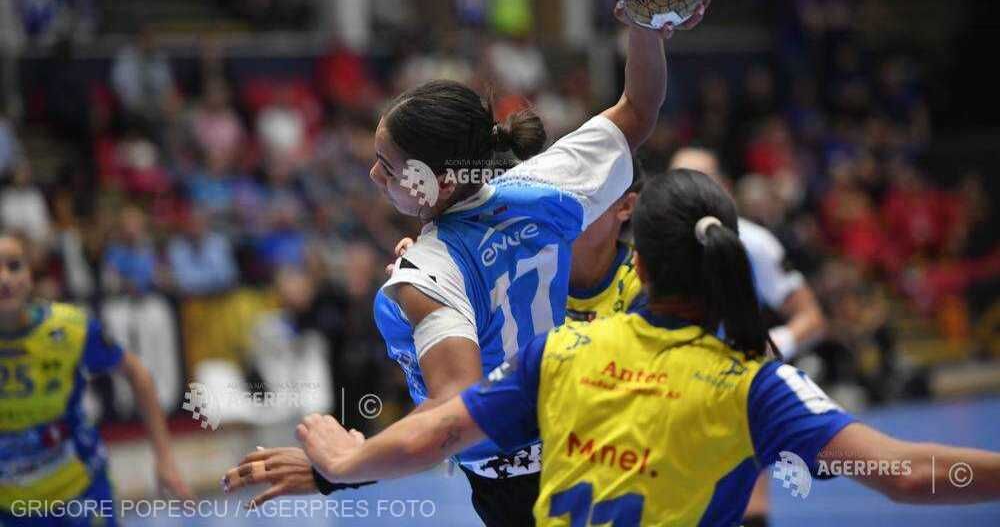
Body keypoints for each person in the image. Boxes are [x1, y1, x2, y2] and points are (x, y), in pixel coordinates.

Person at [226, 170, 1000, 525]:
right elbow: (904, 474)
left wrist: (345, 466)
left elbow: (447, 426)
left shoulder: (562, 352)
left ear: (639, 259)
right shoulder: (757, 386)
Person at [223, 0, 711, 524]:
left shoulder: (428, 271)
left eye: (389, 167)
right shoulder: (545, 185)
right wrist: (646, 28)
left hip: (521, 491)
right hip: (587, 449)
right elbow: (640, 108)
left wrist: (342, 465)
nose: (375, 176)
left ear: (443, 180)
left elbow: (456, 410)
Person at [669, 146, 827, 525]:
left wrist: (764, 350)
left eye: (700, 182)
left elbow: (811, 317)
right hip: (669, 398)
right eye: (679, 183)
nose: (689, 193)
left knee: (746, 509)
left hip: (733, 395)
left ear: (723, 187)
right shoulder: (652, 246)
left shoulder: (752, 242)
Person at [0, 232, 192, 526]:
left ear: (31, 271)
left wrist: (165, 459)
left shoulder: (69, 328)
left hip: (82, 493)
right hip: (12, 510)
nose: (5, 279)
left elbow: (137, 374)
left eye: (14, 266)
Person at [563, 157, 645, 322]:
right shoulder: (526, 270)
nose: (564, 203)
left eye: (583, 190)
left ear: (625, 206)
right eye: (560, 189)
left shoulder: (644, 281)